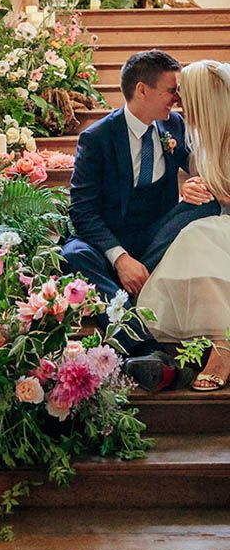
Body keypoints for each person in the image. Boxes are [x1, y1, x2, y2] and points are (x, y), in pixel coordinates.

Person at [61, 49, 220, 389]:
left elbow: (201, 168)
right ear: (142, 90)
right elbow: (82, 211)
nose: (177, 99)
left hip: (155, 238)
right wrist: (120, 259)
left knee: (206, 206)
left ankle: (122, 296)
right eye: (171, 90)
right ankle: (146, 349)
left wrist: (195, 183)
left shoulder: (173, 125)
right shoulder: (98, 138)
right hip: (110, 241)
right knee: (72, 255)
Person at [140, 61, 230, 391]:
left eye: (184, 96)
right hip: (219, 224)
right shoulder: (197, 141)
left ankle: (222, 349)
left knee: (200, 237)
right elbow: (191, 188)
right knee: (197, 237)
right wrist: (188, 187)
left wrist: (220, 190)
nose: (178, 104)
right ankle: (220, 343)